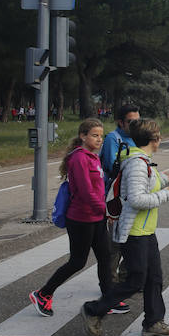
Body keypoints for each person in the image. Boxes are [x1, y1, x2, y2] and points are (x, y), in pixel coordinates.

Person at [81, 118, 169, 336]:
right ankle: (94, 310)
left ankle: (153, 322)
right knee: (136, 280)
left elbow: (143, 185)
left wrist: (164, 179)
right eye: (159, 135)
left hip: (146, 230)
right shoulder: (137, 163)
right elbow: (136, 199)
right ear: (155, 139)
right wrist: (167, 194)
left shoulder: (143, 161)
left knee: (154, 278)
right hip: (135, 232)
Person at [29, 119, 127, 316]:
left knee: (105, 256)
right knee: (77, 261)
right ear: (83, 136)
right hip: (81, 218)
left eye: (101, 136)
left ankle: (108, 298)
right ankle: (43, 293)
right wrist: (106, 210)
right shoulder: (79, 158)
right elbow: (85, 191)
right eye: (94, 135)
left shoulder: (93, 157)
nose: (99, 139)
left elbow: (98, 188)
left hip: (96, 217)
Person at [99, 104, 141, 284]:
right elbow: (112, 166)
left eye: (138, 121)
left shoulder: (138, 137)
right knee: (115, 243)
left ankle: (126, 276)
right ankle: (110, 282)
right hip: (116, 197)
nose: (135, 125)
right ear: (120, 122)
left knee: (134, 240)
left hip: (134, 195)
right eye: (131, 121)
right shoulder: (113, 138)